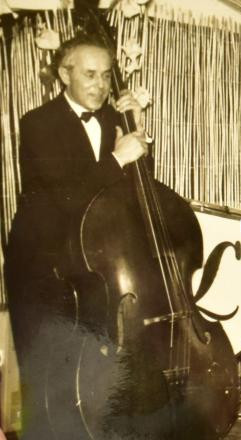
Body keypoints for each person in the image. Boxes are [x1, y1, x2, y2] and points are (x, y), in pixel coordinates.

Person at [3, 34, 148, 439]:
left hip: (91, 265)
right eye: (89, 74)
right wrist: (118, 156)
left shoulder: (113, 119)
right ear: (64, 75)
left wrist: (136, 128)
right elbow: (65, 196)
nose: (101, 85)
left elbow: (137, 191)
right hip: (42, 267)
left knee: (94, 374)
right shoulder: (38, 122)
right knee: (46, 378)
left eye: (106, 75)